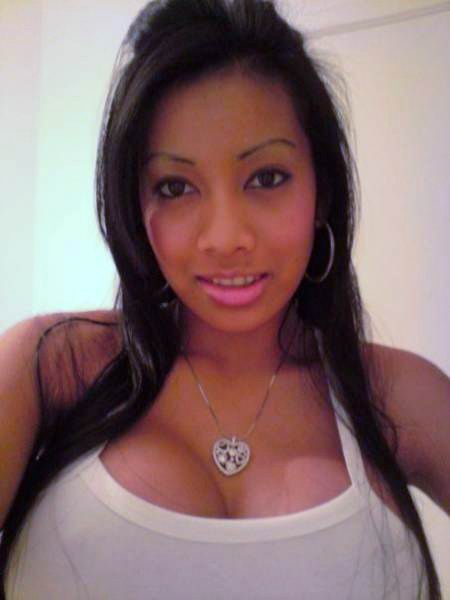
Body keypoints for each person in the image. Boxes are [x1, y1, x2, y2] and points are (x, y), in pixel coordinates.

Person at [0, 0, 448, 598]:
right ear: (135, 202)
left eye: (266, 177)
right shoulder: (52, 365)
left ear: (322, 190)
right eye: (176, 187)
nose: (225, 238)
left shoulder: (399, 396)